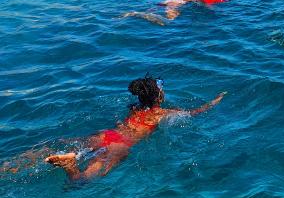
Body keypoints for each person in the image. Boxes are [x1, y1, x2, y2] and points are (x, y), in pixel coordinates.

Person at [4, 76, 225, 181]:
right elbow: (196, 112)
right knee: (81, 181)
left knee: (55, 149)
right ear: (159, 96)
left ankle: (8, 168)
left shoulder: (133, 107)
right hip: (121, 145)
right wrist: (216, 100)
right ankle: (70, 166)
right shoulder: (160, 113)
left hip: (106, 134)